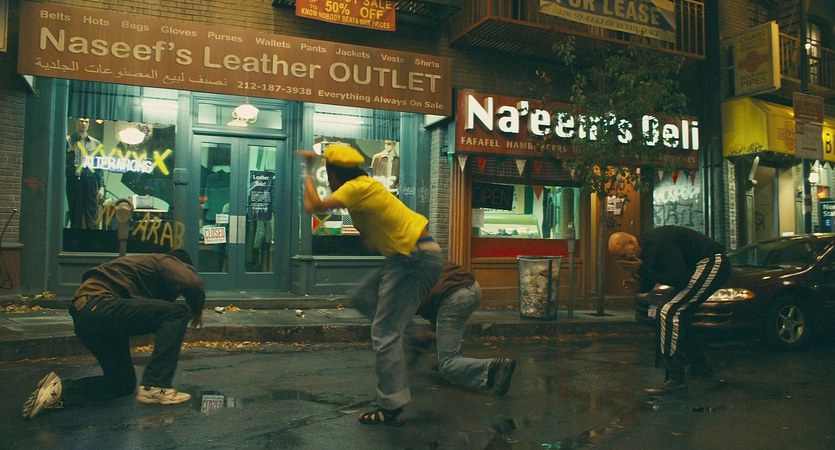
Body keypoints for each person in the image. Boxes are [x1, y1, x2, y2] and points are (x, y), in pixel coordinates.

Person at [298, 144, 444, 427]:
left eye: (328, 173)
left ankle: (392, 408)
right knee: (363, 297)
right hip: (408, 256)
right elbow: (370, 238)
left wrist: (306, 168)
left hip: (412, 258)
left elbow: (312, 206)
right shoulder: (366, 188)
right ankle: (416, 336)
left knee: (385, 332)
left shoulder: (356, 188)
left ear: (334, 174)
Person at [22, 249, 205, 420]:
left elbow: (147, 315)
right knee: (178, 313)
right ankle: (156, 385)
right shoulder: (167, 261)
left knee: (122, 384)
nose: (179, 290)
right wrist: (197, 310)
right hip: (100, 304)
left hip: (89, 318)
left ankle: (60, 391)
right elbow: (192, 282)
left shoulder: (145, 275)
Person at [608, 226, 730, 395]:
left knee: (669, 311)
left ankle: (674, 378)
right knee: (679, 313)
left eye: (623, 256)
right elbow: (654, 278)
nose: (625, 261)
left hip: (712, 262)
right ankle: (699, 366)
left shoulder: (659, 244)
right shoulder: (644, 251)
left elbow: (678, 278)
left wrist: (641, 269)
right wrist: (640, 285)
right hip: (696, 267)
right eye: (619, 260)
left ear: (631, 242)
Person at [414, 261, 516, 395]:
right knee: (440, 330)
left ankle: (494, 368)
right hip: (471, 287)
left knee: (447, 365)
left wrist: (418, 336)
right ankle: (455, 362)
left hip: (454, 297)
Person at [66, 117, 105, 230]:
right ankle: (75, 237)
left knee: (91, 211)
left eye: (86, 121)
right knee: (75, 211)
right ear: (76, 122)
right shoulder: (69, 141)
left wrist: (101, 186)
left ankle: (91, 237)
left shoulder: (95, 143)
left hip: (90, 178)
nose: (84, 124)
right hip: (74, 179)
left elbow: (99, 166)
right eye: (81, 121)